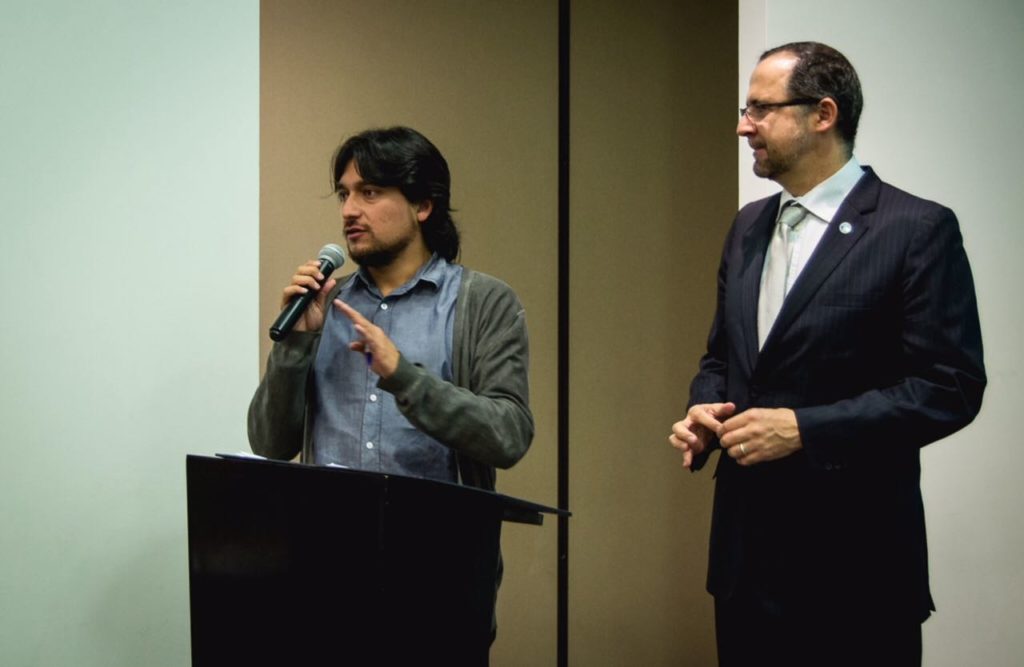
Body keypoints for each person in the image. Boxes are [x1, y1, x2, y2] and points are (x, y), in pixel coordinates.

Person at [668, 42, 985, 666]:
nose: (743, 126)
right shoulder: (748, 226)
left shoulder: (915, 229)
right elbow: (722, 359)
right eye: (745, 109)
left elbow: (949, 387)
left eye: (761, 109)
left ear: (823, 113)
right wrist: (705, 409)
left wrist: (806, 430)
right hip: (745, 567)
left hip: (855, 572)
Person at [248, 127, 533, 661]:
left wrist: (403, 375)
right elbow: (269, 442)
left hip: (439, 592)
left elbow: (509, 434)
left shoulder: (483, 303)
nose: (349, 210)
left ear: (423, 205)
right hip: (325, 587)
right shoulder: (325, 306)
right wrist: (296, 345)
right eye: (344, 193)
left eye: (370, 192)